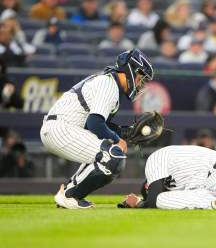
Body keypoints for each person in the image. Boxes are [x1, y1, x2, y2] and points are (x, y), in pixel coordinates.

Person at [40, 49, 154, 209]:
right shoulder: (109, 84)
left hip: (62, 128)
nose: (140, 83)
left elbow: (94, 125)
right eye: (140, 77)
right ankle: (69, 196)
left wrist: (126, 132)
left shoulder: (109, 81)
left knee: (112, 153)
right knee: (112, 155)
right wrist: (117, 139)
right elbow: (94, 123)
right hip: (60, 128)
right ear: (130, 70)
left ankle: (70, 194)